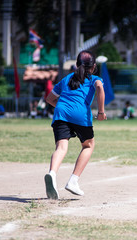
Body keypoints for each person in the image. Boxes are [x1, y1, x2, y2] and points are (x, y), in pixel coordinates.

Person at [44, 50, 106, 199]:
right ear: (94, 66)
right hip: (80, 115)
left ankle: (52, 173)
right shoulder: (94, 78)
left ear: (77, 64)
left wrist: (65, 107)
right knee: (88, 145)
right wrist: (101, 112)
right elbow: (99, 87)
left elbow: (50, 99)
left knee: (61, 147)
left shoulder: (66, 79)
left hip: (61, 113)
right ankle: (73, 180)